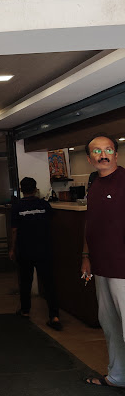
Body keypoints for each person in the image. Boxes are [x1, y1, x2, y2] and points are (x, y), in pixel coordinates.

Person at [82, 134, 125, 388]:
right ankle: (118, 377)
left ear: (116, 155)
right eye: (97, 151)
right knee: (110, 325)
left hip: (123, 267)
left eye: (108, 150)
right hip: (100, 266)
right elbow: (91, 224)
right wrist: (86, 256)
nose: (103, 155)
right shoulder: (94, 185)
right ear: (90, 159)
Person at [9, 177, 62, 330]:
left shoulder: (17, 207)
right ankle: (54, 316)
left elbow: (14, 230)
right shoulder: (44, 204)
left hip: (25, 249)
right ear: (35, 189)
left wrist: (12, 249)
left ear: (21, 190)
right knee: (49, 282)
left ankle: (25, 311)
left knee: (25, 280)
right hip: (44, 249)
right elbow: (51, 221)